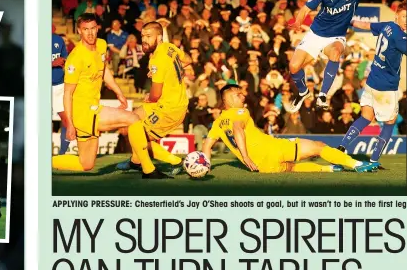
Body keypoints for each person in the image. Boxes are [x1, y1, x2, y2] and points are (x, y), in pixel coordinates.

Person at [289, 0, 406, 110]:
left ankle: (323, 95)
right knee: (293, 67)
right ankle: (303, 91)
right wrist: (298, 22)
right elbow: (305, 9)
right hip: (315, 34)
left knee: (336, 52)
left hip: (335, 37)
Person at [203, 84, 367, 173]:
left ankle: (329, 168)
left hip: (264, 167)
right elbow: (238, 129)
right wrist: (245, 157)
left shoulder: (217, 123)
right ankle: (356, 164)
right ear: (227, 99)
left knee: (291, 168)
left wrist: (205, 165)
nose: (243, 96)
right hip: (272, 149)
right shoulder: (239, 112)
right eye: (238, 94)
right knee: (319, 146)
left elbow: (206, 146)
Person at [51, 14, 139, 173]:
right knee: (133, 118)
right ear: (79, 31)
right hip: (84, 113)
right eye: (85, 29)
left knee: (86, 165)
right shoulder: (75, 58)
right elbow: (67, 94)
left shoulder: (102, 44)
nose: (90, 33)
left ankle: (42, 162)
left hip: (93, 109)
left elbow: (104, 70)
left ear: (98, 28)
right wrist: (70, 124)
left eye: (93, 28)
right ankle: (142, 165)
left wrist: (118, 92)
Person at [118, 21, 190, 179]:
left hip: (170, 108)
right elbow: (188, 59)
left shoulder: (158, 59)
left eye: (148, 36)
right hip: (167, 102)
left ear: (158, 37)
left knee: (137, 135)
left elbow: (155, 95)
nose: (144, 39)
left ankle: (176, 161)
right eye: (143, 36)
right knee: (129, 122)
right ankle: (135, 162)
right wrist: (170, 72)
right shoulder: (168, 47)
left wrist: (149, 97)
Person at [339, 3, 407, 170]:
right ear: (397, 16)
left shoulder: (388, 26)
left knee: (365, 117)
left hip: (371, 81)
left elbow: (365, 24)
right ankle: (374, 161)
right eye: (405, 16)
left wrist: (347, 20)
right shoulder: (399, 36)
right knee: (390, 122)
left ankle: (341, 149)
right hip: (386, 86)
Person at [52, 28, 70, 156]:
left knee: (66, 119)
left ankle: (62, 152)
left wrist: (66, 63)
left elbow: (66, 59)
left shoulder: (58, 40)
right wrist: (52, 63)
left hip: (59, 85)